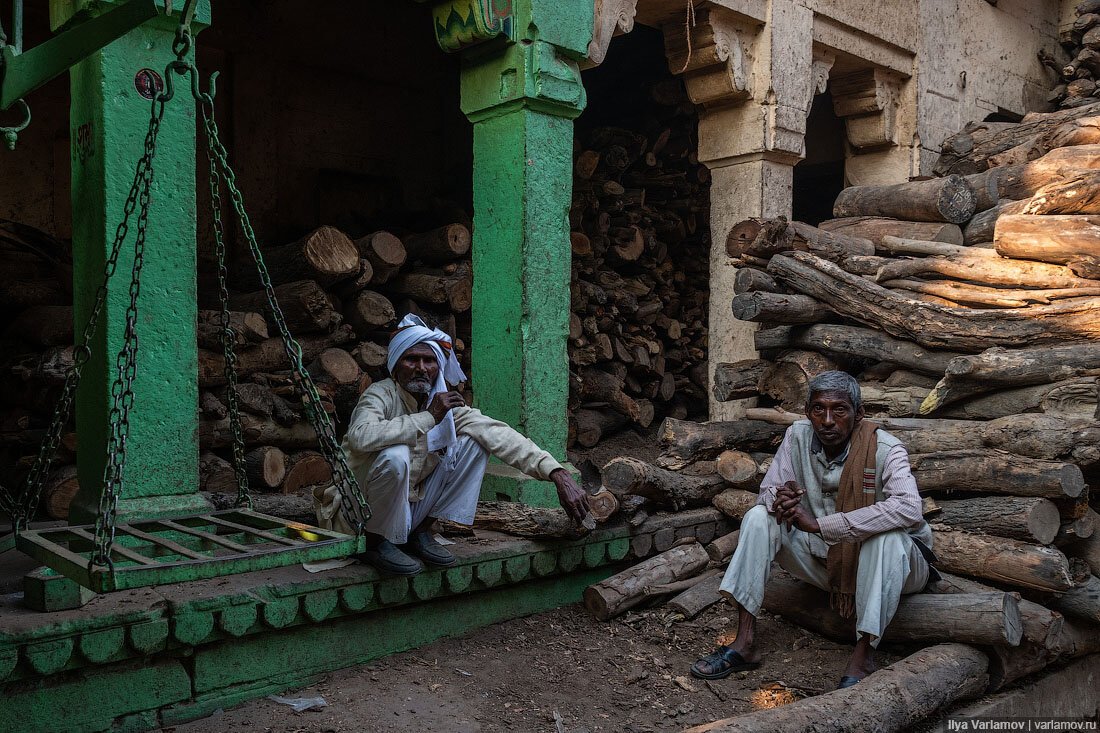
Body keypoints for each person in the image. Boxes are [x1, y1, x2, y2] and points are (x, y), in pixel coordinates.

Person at [690, 370, 935, 688]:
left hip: (896, 568)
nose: (828, 420)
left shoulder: (886, 449)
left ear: (858, 414)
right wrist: (781, 499)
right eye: (819, 409)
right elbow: (768, 492)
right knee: (758, 518)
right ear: (808, 412)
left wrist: (821, 525)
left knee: (885, 539)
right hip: (825, 562)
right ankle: (745, 642)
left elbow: (909, 508)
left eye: (840, 410)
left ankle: (863, 658)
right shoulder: (798, 435)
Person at [315, 314, 589, 576]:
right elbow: (361, 436)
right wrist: (427, 417)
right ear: (396, 365)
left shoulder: (445, 405)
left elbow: (500, 435)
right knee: (396, 454)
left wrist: (556, 472)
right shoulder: (380, 394)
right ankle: (376, 544)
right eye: (412, 359)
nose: (421, 368)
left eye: (429, 360)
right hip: (360, 516)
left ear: (438, 368)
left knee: (475, 441)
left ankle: (420, 531)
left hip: (410, 508)